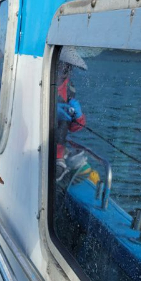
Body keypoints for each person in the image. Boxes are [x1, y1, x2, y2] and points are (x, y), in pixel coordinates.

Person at [56, 46, 87, 182]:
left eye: (69, 68)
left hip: (57, 154)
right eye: (63, 66)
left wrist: (78, 117)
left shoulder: (69, 89)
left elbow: (75, 128)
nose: (66, 71)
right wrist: (52, 112)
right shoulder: (37, 82)